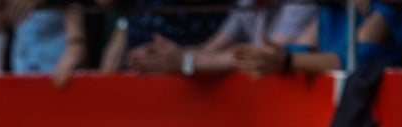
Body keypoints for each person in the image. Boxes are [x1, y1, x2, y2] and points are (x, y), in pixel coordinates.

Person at [125, 0, 316, 77]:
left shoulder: (301, 4)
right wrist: (162, 55)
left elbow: (263, 57)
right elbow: (210, 49)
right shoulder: (247, 4)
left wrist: (184, 60)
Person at [233, 0, 402, 76]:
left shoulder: (387, 11)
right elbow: (301, 50)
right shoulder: (331, 11)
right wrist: (269, 56)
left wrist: (287, 60)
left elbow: (353, 62)